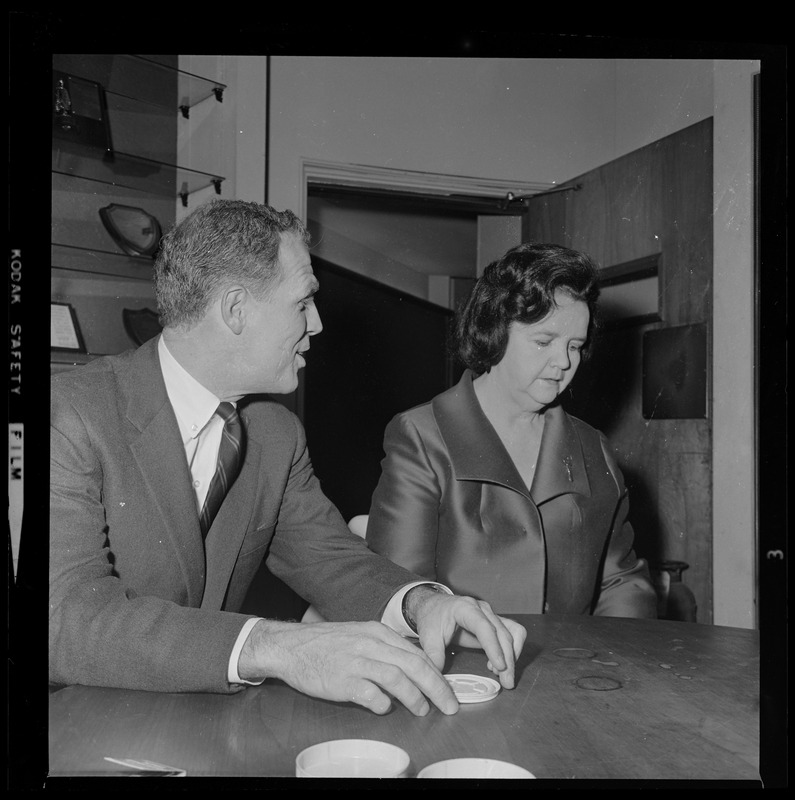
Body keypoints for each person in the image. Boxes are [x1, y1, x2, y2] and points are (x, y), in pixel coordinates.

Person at [49, 199, 526, 717]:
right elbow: (63, 616)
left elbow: (330, 560)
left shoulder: (276, 434)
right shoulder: (70, 415)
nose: (317, 324)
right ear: (235, 310)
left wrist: (423, 603)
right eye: (303, 302)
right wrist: (274, 647)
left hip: (203, 726)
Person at [365, 242, 658, 618]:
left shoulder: (591, 446)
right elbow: (398, 589)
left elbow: (622, 582)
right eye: (544, 341)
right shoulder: (421, 436)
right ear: (495, 330)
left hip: (571, 667)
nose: (564, 362)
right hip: (458, 670)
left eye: (575, 345)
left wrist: (608, 664)